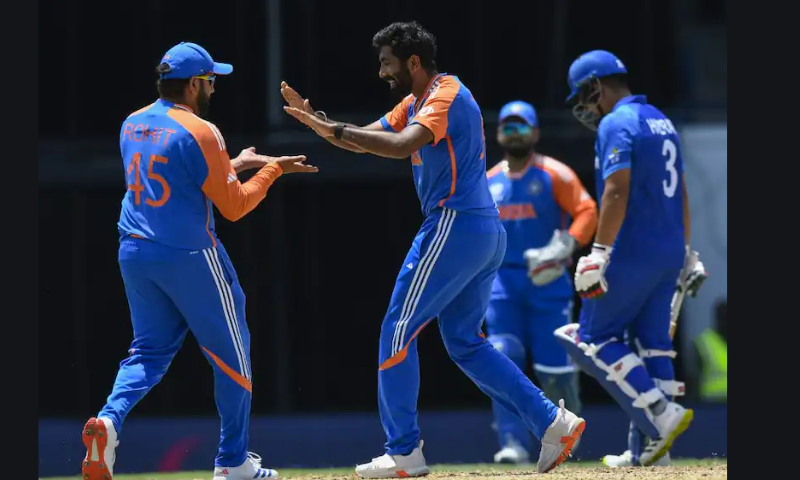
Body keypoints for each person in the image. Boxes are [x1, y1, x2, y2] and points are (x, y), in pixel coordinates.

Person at [280, 21, 584, 476]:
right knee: (465, 342)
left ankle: (403, 450)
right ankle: (552, 422)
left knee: (397, 330)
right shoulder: (416, 101)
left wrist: (336, 130)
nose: (382, 72)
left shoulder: (446, 93)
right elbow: (366, 141)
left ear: (413, 61)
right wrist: (322, 124)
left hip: (454, 224)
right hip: (480, 230)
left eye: (387, 63)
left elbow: (401, 145)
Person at [80, 42, 317, 480]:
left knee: (147, 352)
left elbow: (175, 175)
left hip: (134, 251)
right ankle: (232, 462)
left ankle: (109, 422)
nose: (213, 88)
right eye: (210, 81)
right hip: (189, 254)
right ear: (193, 84)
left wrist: (235, 163)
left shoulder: (132, 123)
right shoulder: (201, 129)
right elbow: (235, 206)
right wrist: (273, 170)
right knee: (232, 357)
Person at [558, 49, 706, 466]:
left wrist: (598, 252)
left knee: (593, 339)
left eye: (583, 96)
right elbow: (681, 193)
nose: (584, 107)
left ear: (595, 87)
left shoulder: (616, 122)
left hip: (633, 248)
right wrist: (687, 252)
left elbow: (616, 189)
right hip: (669, 249)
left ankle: (662, 414)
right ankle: (651, 453)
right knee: (653, 345)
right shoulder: (661, 120)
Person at [485, 101, 597, 464]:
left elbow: (587, 210)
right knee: (502, 356)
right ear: (498, 134)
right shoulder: (487, 181)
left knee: (555, 369)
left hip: (548, 281)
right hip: (501, 281)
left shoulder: (555, 174)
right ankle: (512, 443)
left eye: (522, 126)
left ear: (535, 133)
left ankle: (566, 442)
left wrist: (567, 244)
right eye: (508, 126)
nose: (514, 133)